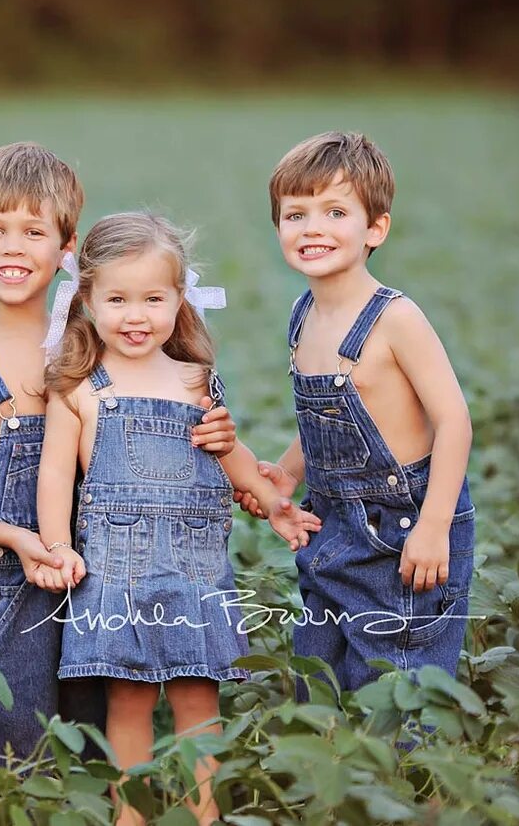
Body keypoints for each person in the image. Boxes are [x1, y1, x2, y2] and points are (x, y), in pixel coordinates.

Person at [0, 143, 237, 765]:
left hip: (101, 577)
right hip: (11, 586)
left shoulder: (106, 345)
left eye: (33, 231)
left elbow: (168, 423)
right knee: (15, 754)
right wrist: (21, 540)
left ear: (67, 250)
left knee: (92, 743)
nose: (12, 248)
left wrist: (219, 441)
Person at [36, 212, 322, 826]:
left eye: (152, 299)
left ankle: (205, 813)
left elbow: (231, 458)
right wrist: (57, 546)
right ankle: (130, 816)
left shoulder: (196, 380)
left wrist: (274, 504)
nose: (135, 316)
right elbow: (57, 475)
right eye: (116, 299)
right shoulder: (81, 388)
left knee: (199, 698)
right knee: (130, 700)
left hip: (196, 570)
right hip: (116, 572)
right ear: (86, 298)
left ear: (178, 300)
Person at [239, 131, 475, 696]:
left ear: (376, 229)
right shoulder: (303, 314)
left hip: (404, 528)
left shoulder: (395, 319)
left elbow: (455, 422)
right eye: (295, 214)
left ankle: (410, 780)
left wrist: (434, 526)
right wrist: (287, 475)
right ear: (278, 229)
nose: (312, 228)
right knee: (318, 677)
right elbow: (322, 420)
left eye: (335, 212)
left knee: (396, 687)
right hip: (335, 526)